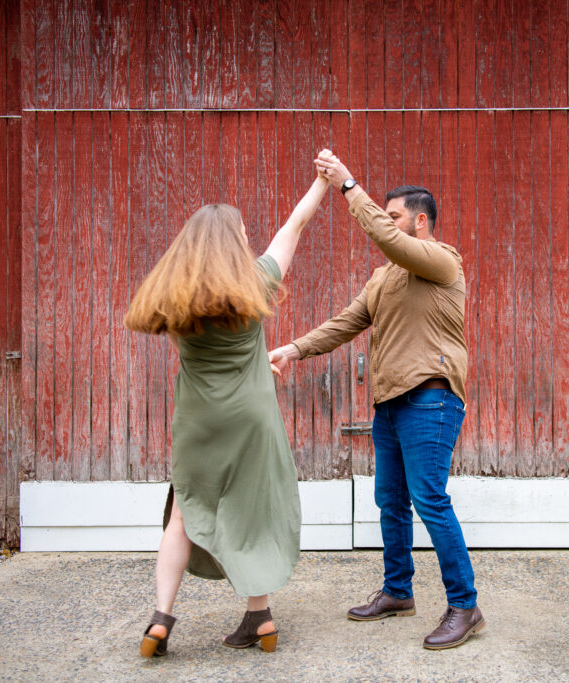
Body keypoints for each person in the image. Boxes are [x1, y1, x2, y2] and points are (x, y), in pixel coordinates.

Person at [269, 150, 485, 650]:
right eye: (386, 216)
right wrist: (295, 348)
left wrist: (348, 185)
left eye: (395, 216)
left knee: (430, 499)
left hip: (431, 398)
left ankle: (465, 605)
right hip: (390, 405)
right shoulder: (384, 277)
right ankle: (398, 591)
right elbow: (347, 322)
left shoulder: (442, 260)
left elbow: (386, 237)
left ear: (421, 221)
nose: (388, 225)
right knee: (390, 500)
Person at [124, 169, 330, 657]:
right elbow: (295, 226)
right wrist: (322, 182)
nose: (248, 236)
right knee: (252, 513)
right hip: (252, 417)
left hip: (199, 419)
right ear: (234, 240)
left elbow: (210, 352)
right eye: (242, 232)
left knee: (181, 516)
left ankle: (160, 620)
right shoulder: (256, 281)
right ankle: (261, 619)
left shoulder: (175, 296)